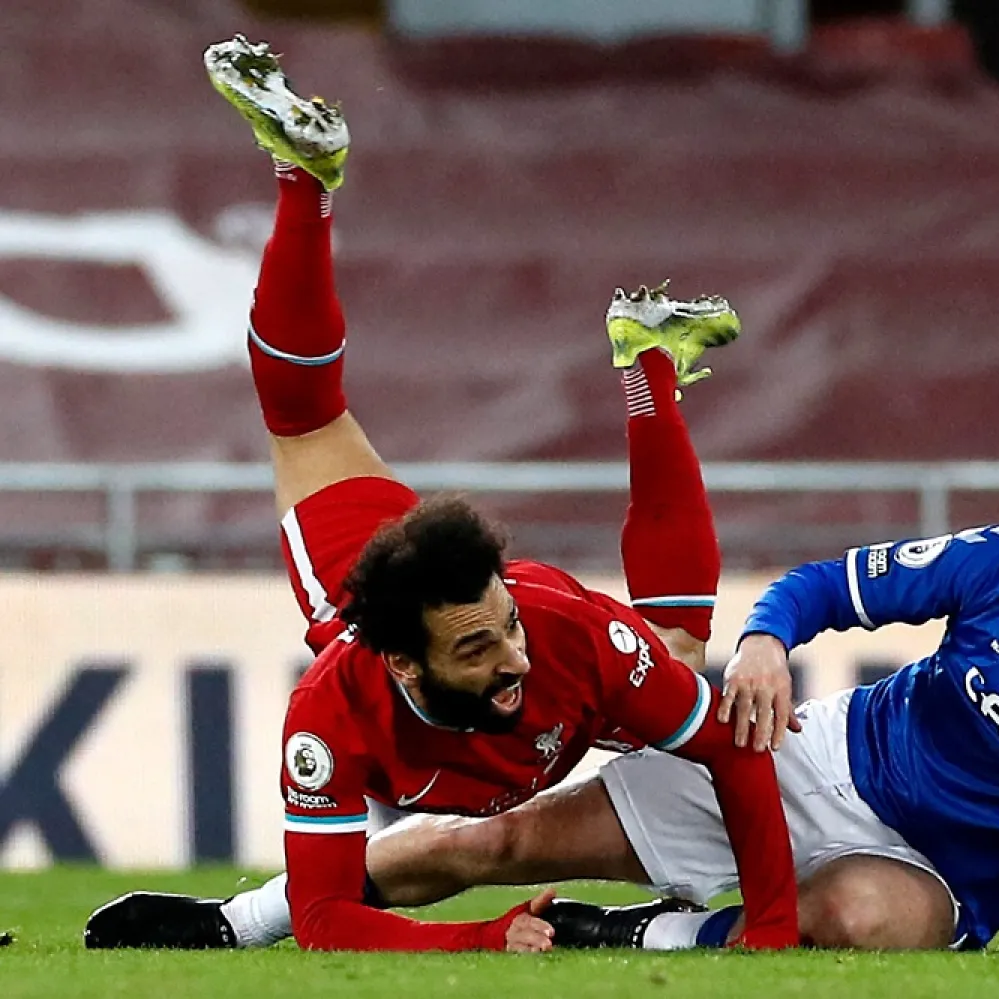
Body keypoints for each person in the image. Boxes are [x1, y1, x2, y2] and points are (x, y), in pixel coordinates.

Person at [247, 399, 999, 954]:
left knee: (864, 926)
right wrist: (772, 640)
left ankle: (632, 945)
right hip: (815, 763)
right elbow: (829, 590)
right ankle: (244, 919)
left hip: (933, 875)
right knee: (496, 844)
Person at [82, 35, 798, 954]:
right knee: (304, 420)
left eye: (505, 625)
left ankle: (635, 361)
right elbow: (328, 920)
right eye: (480, 646)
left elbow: (730, 748)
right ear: (407, 667)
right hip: (361, 576)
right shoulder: (332, 711)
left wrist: (773, 932)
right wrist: (482, 939)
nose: (514, 657)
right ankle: (317, 183)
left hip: (536, 634)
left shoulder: (565, 640)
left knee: (674, 651)